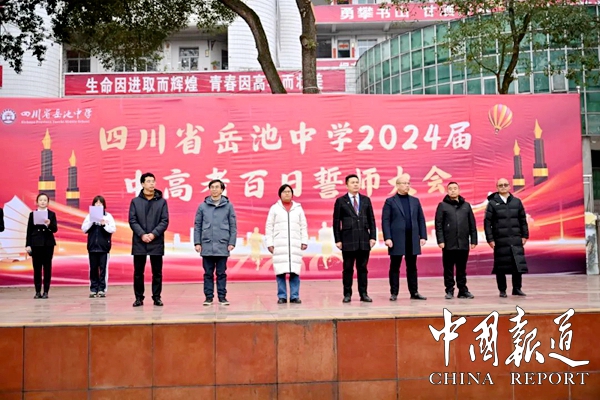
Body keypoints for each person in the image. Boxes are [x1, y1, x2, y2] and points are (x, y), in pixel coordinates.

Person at [382, 174, 427, 301]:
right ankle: (394, 292)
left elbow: (421, 219)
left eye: (408, 183)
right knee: (395, 266)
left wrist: (423, 236)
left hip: (412, 238)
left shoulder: (415, 201)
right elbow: (386, 220)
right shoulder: (390, 201)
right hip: (396, 239)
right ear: (397, 185)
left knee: (412, 266)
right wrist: (388, 237)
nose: (407, 185)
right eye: (404, 183)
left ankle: (414, 292)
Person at [333, 174, 377, 303]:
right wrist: (338, 240)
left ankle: (364, 294)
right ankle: (347, 294)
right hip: (348, 239)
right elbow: (336, 222)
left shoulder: (366, 200)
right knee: (348, 268)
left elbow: (372, 220)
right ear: (347, 185)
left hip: (363, 239)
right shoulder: (341, 201)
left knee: (363, 268)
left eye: (357, 182)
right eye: (352, 182)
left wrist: (372, 237)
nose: (356, 184)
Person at [194, 179, 237, 306]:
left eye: (217, 187)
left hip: (223, 244)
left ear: (222, 190)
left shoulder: (228, 206)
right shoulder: (202, 206)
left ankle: (222, 297)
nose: (214, 189)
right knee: (208, 273)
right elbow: (197, 225)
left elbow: (233, 226)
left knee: (221, 273)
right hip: (207, 244)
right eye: (212, 187)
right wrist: (197, 242)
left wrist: (232, 242)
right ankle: (208, 297)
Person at [129, 172, 169, 307]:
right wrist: (142, 234)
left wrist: (153, 234)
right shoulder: (135, 202)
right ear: (142, 184)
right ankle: (138, 298)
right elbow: (132, 220)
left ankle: (157, 297)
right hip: (139, 241)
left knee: (157, 272)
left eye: (153, 181)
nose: (152, 184)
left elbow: (164, 221)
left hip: (156, 241)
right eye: (148, 181)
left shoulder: (162, 202)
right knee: (138, 272)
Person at [484, 178, 529, 297]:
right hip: (500, 240)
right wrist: (490, 239)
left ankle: (517, 289)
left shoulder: (517, 202)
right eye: (500, 185)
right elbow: (487, 223)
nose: (503, 187)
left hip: (515, 238)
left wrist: (525, 235)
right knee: (500, 267)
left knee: (517, 264)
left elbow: (523, 220)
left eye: (505, 185)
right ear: (497, 188)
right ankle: (502, 290)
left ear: (509, 186)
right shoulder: (492, 203)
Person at [265, 184, 308, 304]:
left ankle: (294, 296)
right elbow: (269, 226)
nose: (287, 193)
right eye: (284, 192)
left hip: (295, 244)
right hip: (279, 244)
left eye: (289, 191)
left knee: (295, 272)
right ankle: (282, 296)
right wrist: (270, 243)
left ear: (292, 194)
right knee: (280, 272)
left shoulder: (298, 208)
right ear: (280, 194)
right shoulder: (275, 208)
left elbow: (303, 225)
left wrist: (304, 240)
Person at [434, 182, 477, 300]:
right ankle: (449, 290)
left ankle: (462, 290)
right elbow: (438, 225)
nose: (453, 190)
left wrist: (473, 240)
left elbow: (472, 224)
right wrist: (440, 240)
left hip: (463, 242)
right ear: (447, 191)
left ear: (459, 190)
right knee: (448, 268)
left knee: (462, 268)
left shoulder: (466, 206)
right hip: (448, 243)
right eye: (450, 189)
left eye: (455, 188)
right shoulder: (442, 206)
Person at [81, 195, 116, 298]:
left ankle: (102, 289)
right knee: (93, 269)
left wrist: (104, 224)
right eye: (96, 203)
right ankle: (93, 289)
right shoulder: (89, 216)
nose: (98, 205)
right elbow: (84, 229)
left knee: (103, 269)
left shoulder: (108, 216)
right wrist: (92, 221)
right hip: (92, 247)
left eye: (100, 203)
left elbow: (113, 229)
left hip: (104, 248)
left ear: (104, 205)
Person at [25, 193, 57, 299]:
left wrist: (49, 224)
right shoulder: (32, 214)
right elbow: (29, 230)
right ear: (37, 202)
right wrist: (28, 244)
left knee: (47, 268)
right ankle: (37, 291)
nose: (42, 202)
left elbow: (55, 229)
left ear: (47, 202)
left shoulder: (51, 214)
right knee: (37, 268)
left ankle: (46, 291)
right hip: (36, 244)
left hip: (48, 244)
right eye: (40, 200)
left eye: (44, 200)